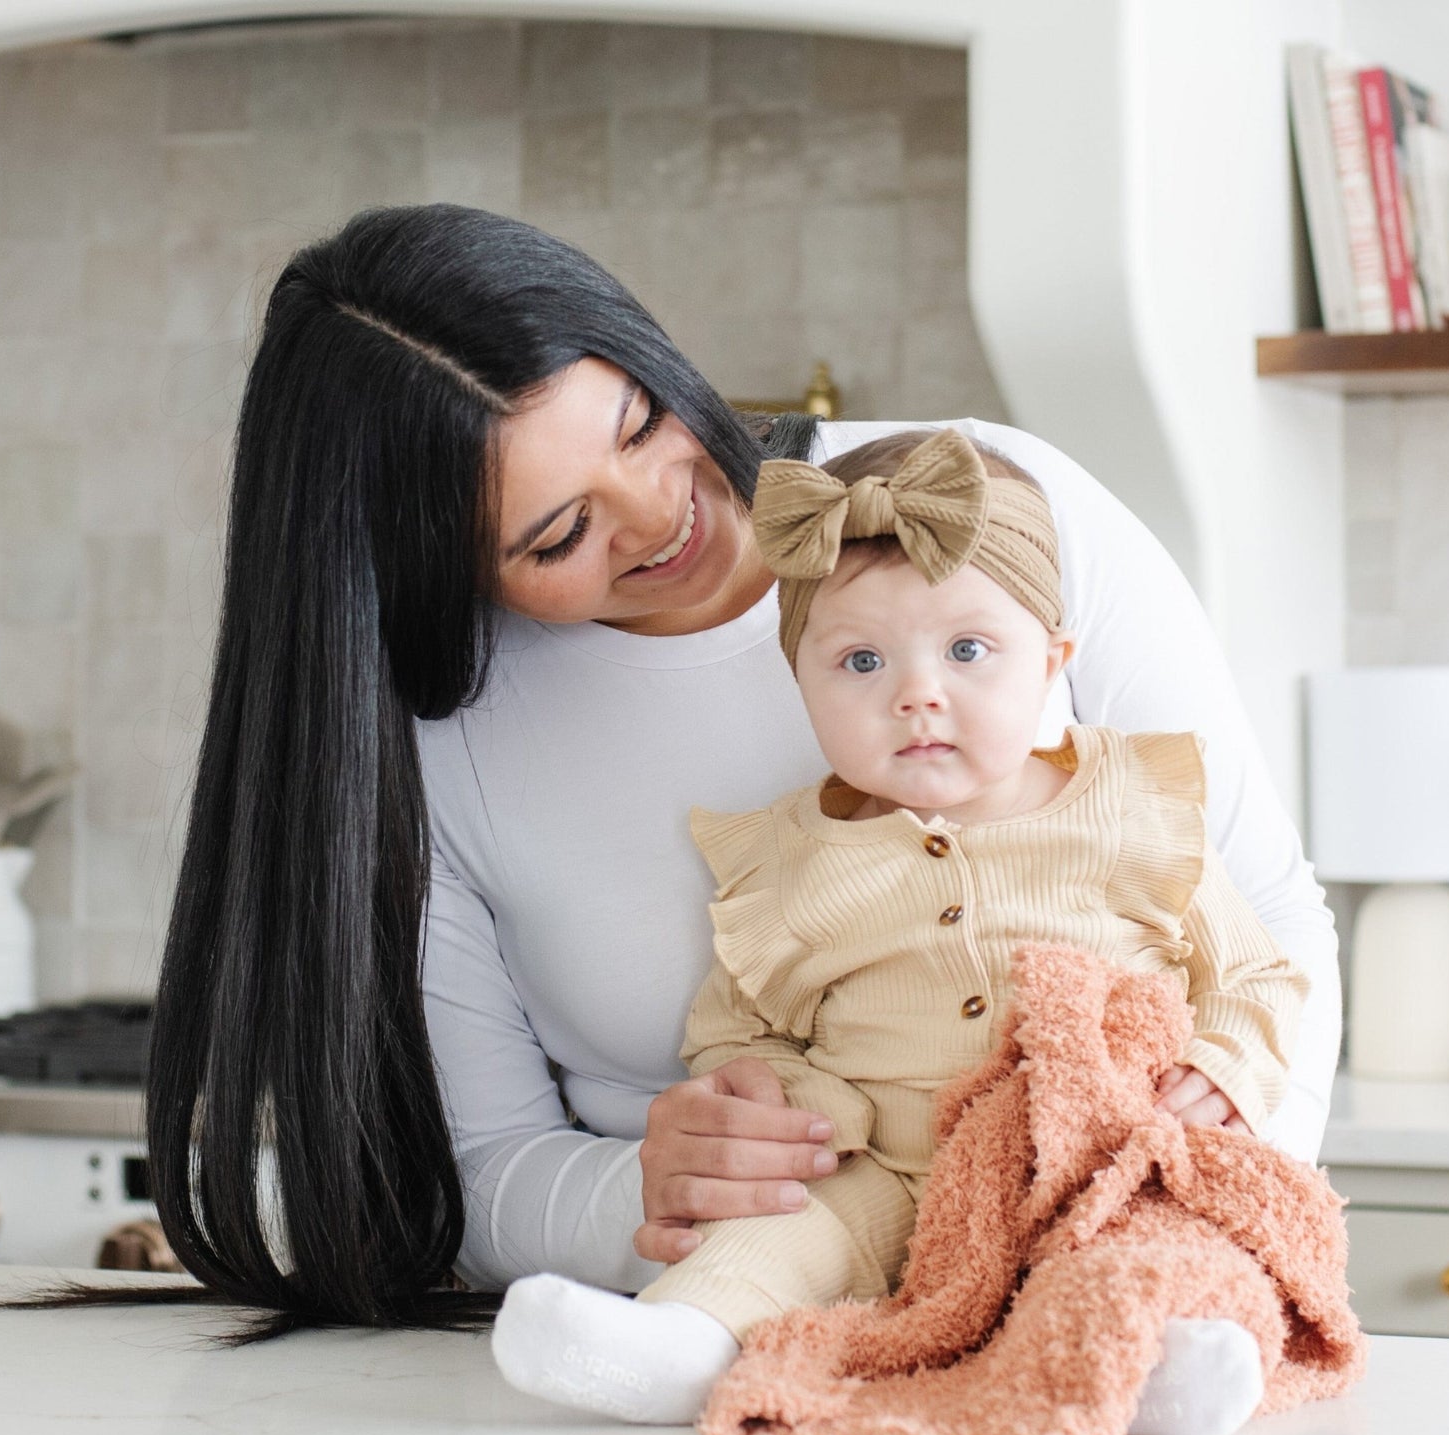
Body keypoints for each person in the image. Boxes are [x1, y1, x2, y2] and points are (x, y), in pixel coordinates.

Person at [125, 204, 1338, 1342]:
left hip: (1115, 1274)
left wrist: (1197, 1220)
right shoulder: (429, 743)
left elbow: (1273, 918)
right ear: (434, 570)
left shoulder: (976, 507)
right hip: (749, 1344)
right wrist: (641, 1193)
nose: (659, 516)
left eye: (643, 422)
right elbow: (483, 1175)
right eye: (559, 535)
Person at [487, 427, 1307, 1435]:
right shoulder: (792, 861)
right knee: (777, 1240)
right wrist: (760, 1095)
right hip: (876, 1168)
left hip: (1087, 1158)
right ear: (804, 688)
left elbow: (1257, 974)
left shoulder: (1130, 806)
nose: (917, 694)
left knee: (1136, 1246)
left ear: (1051, 663)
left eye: (969, 651)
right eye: (862, 661)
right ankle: (675, 1345)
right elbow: (740, 1027)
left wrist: (1225, 1065)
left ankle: (1154, 1360)